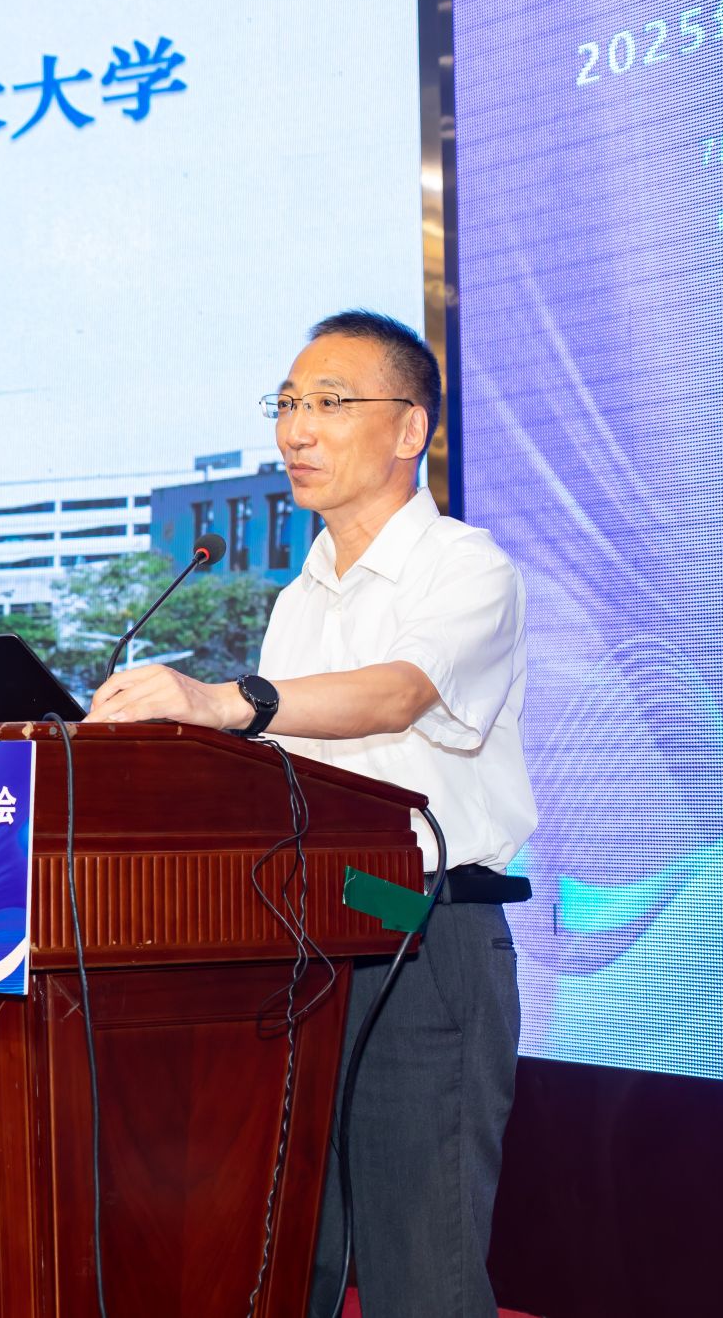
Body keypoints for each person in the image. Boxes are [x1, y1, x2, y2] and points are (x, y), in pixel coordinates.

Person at [89, 309, 536, 1317]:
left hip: (420, 934)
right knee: (292, 1259)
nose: (295, 429)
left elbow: (397, 694)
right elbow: (280, 774)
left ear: (410, 428)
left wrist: (226, 701)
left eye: (328, 403)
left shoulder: (467, 567)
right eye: (286, 404)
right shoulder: (301, 597)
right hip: (300, 943)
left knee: (423, 1270)